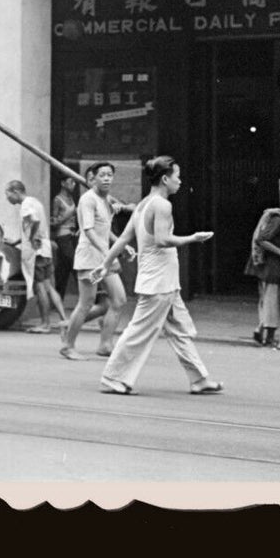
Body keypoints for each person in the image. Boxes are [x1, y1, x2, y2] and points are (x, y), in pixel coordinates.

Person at [90, 156, 222, 396]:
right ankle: (113, 378)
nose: (180, 182)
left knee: (179, 331)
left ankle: (199, 378)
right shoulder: (162, 205)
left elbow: (123, 238)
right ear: (164, 178)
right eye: (177, 176)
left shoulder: (143, 205)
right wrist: (192, 238)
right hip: (158, 282)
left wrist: (105, 263)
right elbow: (162, 240)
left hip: (164, 282)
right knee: (139, 331)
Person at [59, 163, 130, 359]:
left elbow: (105, 230)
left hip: (103, 257)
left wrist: (122, 245)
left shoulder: (105, 200)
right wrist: (109, 254)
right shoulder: (87, 200)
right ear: (92, 178)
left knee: (119, 300)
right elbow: (89, 231)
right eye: (102, 175)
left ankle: (105, 344)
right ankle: (68, 346)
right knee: (86, 303)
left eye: (110, 175)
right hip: (89, 258)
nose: (107, 178)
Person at [5, 179, 66, 334]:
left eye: (8, 194)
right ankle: (65, 319)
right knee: (49, 286)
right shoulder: (36, 202)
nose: (7, 199)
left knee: (40, 287)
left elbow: (34, 221)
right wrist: (19, 240)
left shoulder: (26, 205)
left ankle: (45, 323)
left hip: (36, 252)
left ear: (16, 192)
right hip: (45, 249)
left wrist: (31, 238)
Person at [244, 194, 280, 346]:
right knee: (271, 302)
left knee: (268, 301)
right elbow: (261, 239)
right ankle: (267, 336)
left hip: (272, 266)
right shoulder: (278, 220)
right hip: (271, 267)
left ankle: (261, 330)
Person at [51, 175, 80, 307]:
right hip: (62, 237)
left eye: (74, 182)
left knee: (63, 270)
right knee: (75, 265)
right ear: (63, 183)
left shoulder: (71, 198)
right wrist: (69, 214)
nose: (73, 184)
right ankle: (88, 299)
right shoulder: (57, 200)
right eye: (70, 181)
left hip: (72, 236)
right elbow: (54, 222)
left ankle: (57, 301)